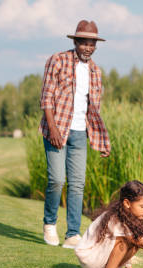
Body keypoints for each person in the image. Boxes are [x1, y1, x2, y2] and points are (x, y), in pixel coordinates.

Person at [39, 20, 110, 249]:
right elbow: (46, 98)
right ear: (76, 42)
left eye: (92, 44)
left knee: (77, 184)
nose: (88, 47)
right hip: (57, 129)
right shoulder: (57, 60)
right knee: (57, 180)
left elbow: (94, 111)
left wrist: (100, 141)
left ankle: (72, 234)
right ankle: (49, 223)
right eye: (84, 43)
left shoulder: (96, 72)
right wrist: (53, 129)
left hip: (80, 132)